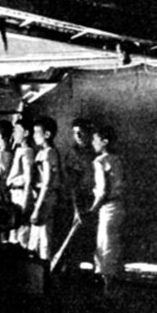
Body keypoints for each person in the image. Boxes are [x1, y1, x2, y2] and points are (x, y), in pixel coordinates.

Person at [85, 125, 127, 296]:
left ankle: (108, 288)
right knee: (112, 245)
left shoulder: (100, 161)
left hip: (108, 208)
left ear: (105, 141)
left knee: (105, 246)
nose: (92, 143)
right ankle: (111, 285)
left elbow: (102, 190)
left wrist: (92, 209)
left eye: (95, 140)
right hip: (119, 207)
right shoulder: (118, 159)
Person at [61, 117, 98, 273]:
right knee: (75, 234)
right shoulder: (73, 153)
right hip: (79, 198)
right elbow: (72, 183)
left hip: (95, 197)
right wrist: (77, 207)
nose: (78, 136)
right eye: (75, 133)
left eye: (81, 133)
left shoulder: (96, 152)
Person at [29, 116, 62, 261]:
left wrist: (38, 207)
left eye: (37, 132)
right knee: (35, 239)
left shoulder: (49, 153)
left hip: (46, 199)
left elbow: (47, 181)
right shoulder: (42, 153)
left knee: (44, 239)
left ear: (47, 134)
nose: (34, 136)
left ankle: (45, 268)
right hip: (40, 197)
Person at [6, 118, 36, 247]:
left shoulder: (27, 152)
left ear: (26, 133)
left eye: (17, 131)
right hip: (15, 195)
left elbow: (29, 178)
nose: (14, 134)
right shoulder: (19, 150)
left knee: (22, 234)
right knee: (13, 233)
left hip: (22, 194)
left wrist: (26, 202)